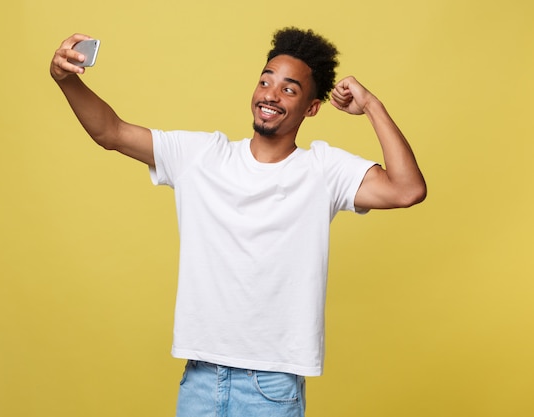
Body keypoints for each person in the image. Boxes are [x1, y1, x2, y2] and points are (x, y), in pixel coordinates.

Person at [50, 27, 426, 417]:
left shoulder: (323, 169)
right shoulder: (201, 156)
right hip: (200, 377)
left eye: (289, 89)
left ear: (312, 108)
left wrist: (371, 106)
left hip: (273, 385)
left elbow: (406, 189)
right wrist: (65, 80)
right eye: (266, 81)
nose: (271, 94)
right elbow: (111, 132)